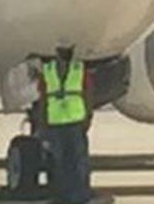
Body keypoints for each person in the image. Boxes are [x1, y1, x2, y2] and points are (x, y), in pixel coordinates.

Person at [38, 45, 92, 204]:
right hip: (57, 123)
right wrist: (43, 123)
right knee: (59, 162)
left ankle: (79, 195)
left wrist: (87, 117)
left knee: (77, 162)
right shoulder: (48, 71)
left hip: (74, 122)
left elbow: (88, 95)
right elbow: (43, 100)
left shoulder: (79, 69)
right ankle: (63, 196)